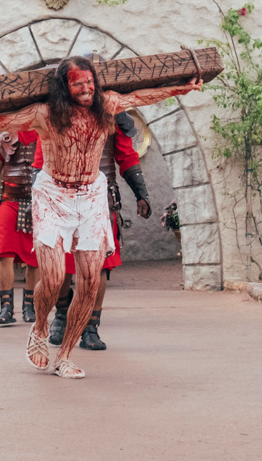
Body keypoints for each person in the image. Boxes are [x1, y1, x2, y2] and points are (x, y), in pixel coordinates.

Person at [0, 55, 201, 379]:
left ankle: (64, 356)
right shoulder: (45, 115)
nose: (87, 89)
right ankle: (41, 326)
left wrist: (182, 88)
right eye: (79, 84)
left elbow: (141, 97)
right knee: (55, 274)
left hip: (90, 196)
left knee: (89, 282)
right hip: (53, 195)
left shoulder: (107, 105)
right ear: (65, 86)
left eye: (90, 82)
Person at [45, 111, 151, 351]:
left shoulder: (113, 116)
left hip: (102, 202)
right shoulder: (56, 112)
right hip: (63, 200)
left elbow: (128, 157)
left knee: (99, 267)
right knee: (61, 265)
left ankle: (91, 327)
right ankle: (62, 315)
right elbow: (43, 159)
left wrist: (141, 194)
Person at [0, 130, 40, 325]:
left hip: (38, 203)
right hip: (10, 201)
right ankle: (6, 308)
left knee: (35, 256)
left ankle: (30, 305)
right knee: (4, 253)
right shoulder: (6, 138)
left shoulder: (46, 134)